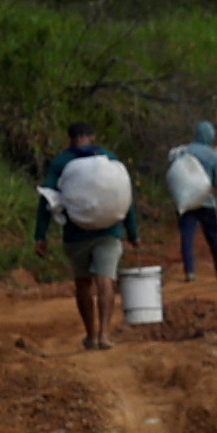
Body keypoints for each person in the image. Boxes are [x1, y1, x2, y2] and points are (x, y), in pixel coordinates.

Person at [46, 125, 132, 353]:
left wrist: (40, 235)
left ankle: (91, 335)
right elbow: (124, 194)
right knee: (106, 281)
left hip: (76, 234)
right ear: (93, 137)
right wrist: (132, 231)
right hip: (109, 231)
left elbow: (47, 199)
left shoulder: (61, 162)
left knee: (83, 283)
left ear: (70, 139)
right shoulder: (110, 158)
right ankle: (104, 334)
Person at [163, 118, 217, 278]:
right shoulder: (213, 156)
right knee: (213, 235)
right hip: (207, 202)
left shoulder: (184, 151)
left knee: (187, 236)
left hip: (186, 202)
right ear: (210, 136)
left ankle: (189, 272)